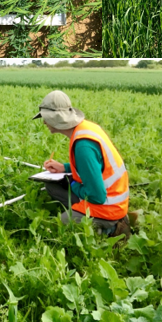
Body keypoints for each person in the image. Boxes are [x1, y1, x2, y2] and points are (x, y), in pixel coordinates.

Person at [33, 90, 131, 239]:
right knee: (52, 186)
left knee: (63, 223)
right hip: (110, 197)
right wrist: (64, 168)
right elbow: (95, 166)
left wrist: (73, 184)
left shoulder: (83, 146)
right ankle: (87, 215)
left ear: (56, 119)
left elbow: (97, 196)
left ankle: (111, 228)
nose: (44, 122)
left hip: (108, 206)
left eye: (46, 118)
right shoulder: (86, 128)